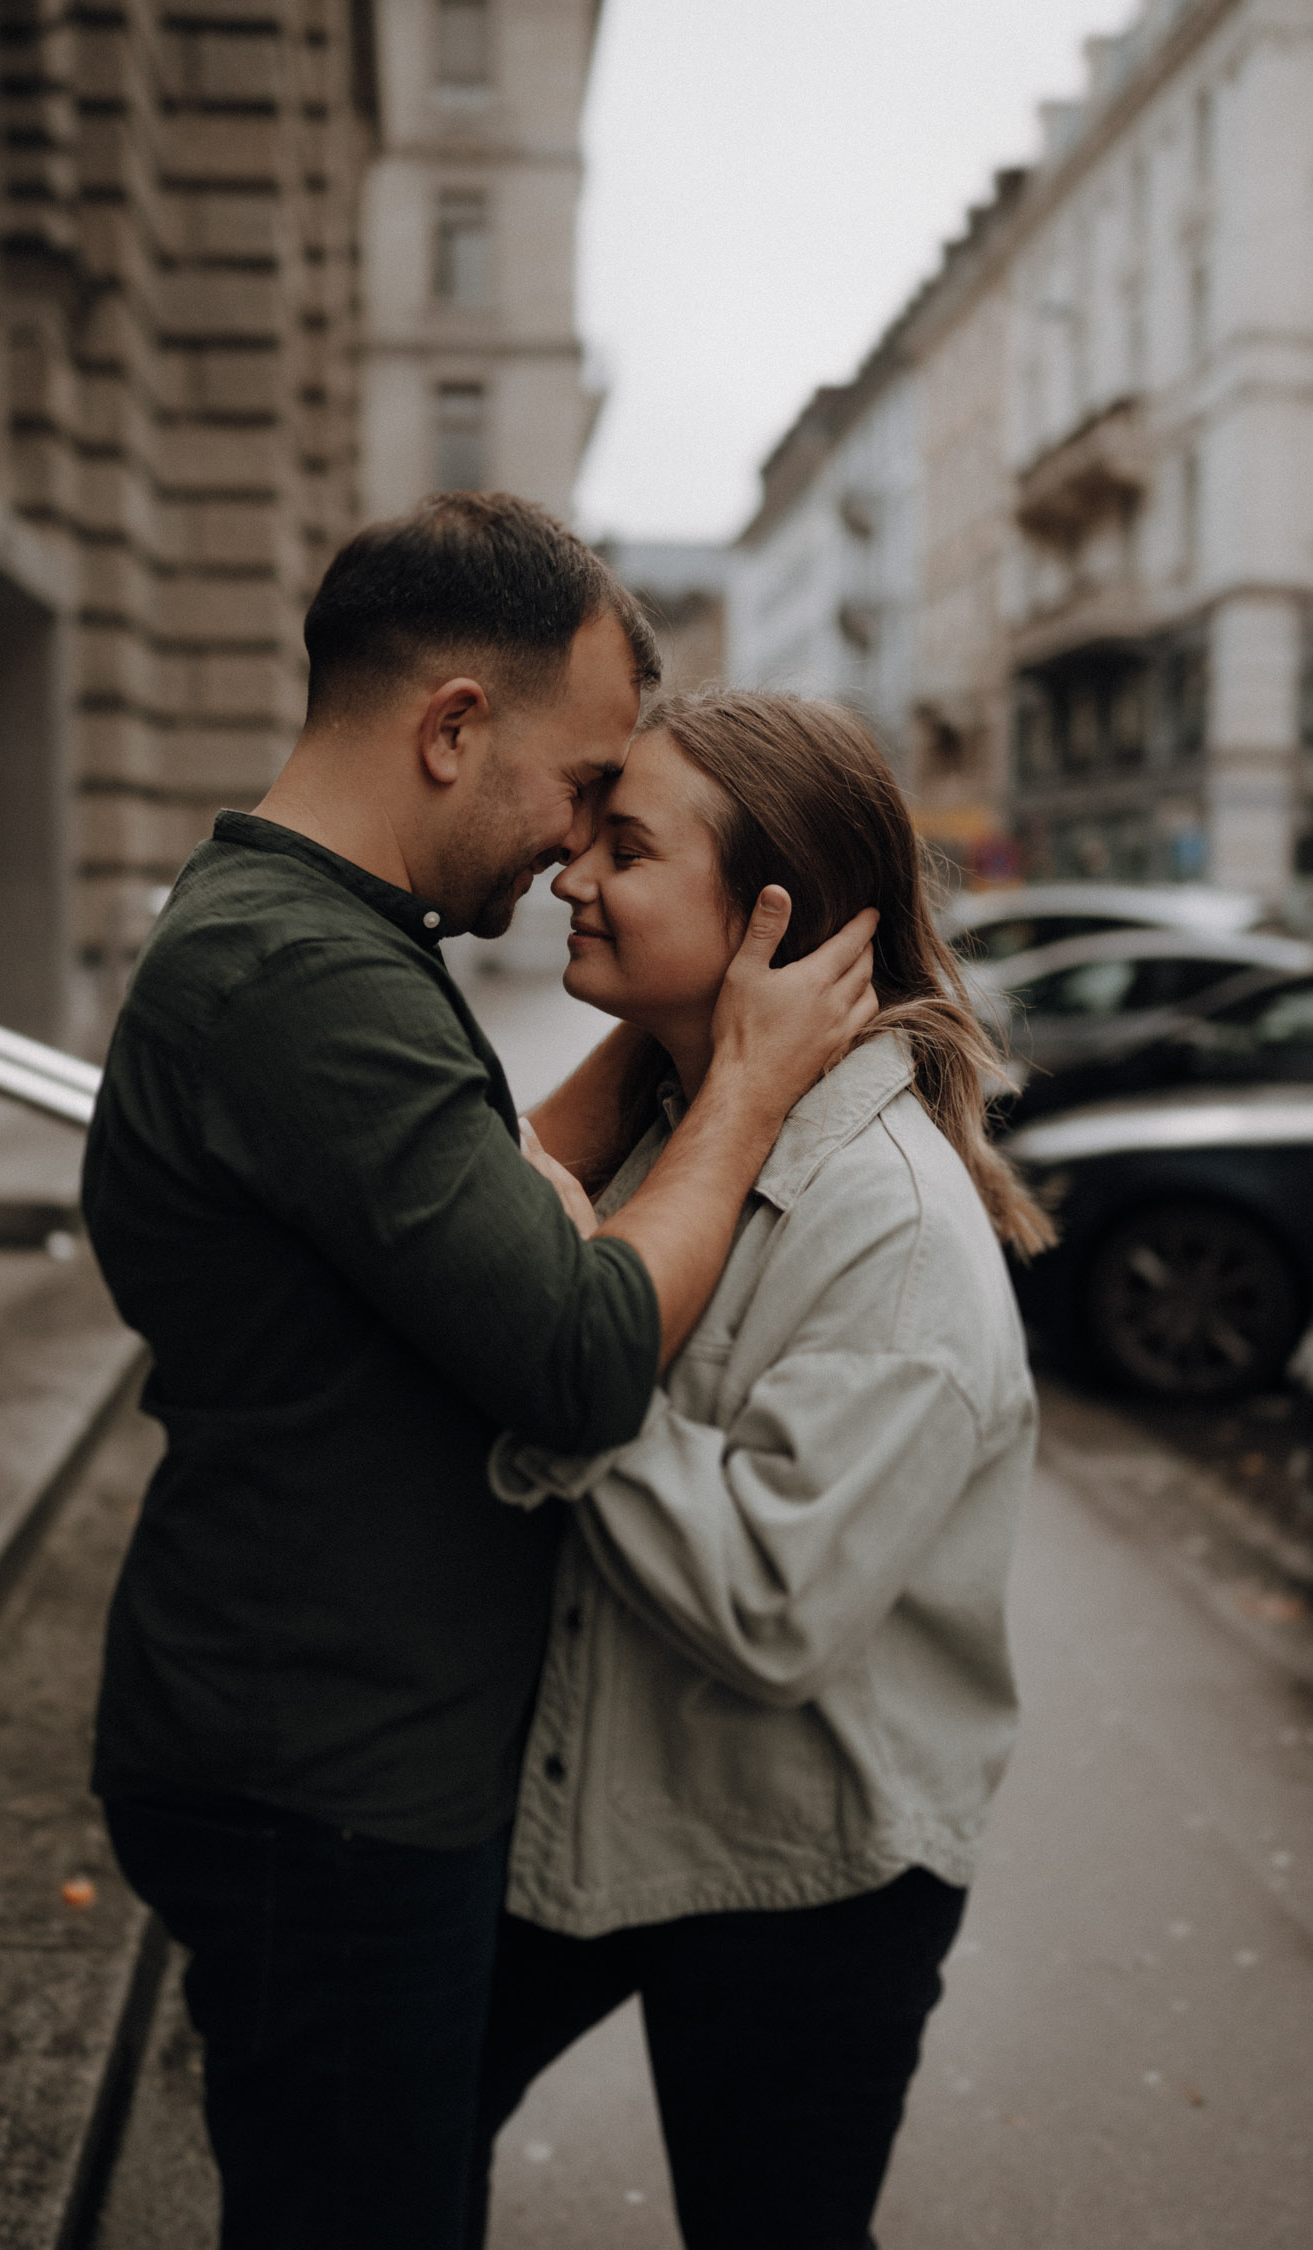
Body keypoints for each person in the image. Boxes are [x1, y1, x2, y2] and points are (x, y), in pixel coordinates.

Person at [82, 499, 879, 2250]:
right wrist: (738, 1089)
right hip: (327, 1780)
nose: (582, 841)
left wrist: (673, 1038)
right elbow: (581, 1353)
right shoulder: (301, 972)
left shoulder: (323, 933)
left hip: (331, 1746)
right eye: (586, 781)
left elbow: (459, 1199)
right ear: (452, 726)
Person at [468, 692, 1055, 2250]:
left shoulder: (901, 1236)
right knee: (377, 2126)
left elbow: (776, 1598)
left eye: (629, 844)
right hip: (600, 1799)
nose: (572, 870)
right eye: (587, 828)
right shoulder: (684, 1121)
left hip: (810, 1875)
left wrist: (559, 1344)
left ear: (771, 924)